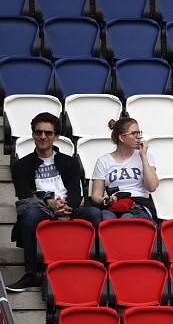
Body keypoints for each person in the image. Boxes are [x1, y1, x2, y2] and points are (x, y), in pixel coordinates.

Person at [6, 113, 102, 292]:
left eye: (48, 133)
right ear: (33, 134)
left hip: (68, 208)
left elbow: (76, 191)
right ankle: (32, 274)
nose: (43, 136)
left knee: (95, 213)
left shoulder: (70, 162)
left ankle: (97, 267)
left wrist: (68, 206)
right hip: (41, 208)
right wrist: (49, 202)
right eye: (39, 132)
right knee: (30, 214)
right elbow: (24, 195)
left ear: (56, 136)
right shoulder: (21, 166)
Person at [90, 118, 158, 221]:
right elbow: (96, 195)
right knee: (107, 219)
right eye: (134, 133)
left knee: (127, 219)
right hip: (113, 205)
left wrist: (143, 156)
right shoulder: (103, 161)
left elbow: (152, 187)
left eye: (139, 133)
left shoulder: (146, 156)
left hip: (138, 205)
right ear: (121, 138)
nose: (138, 137)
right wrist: (106, 200)